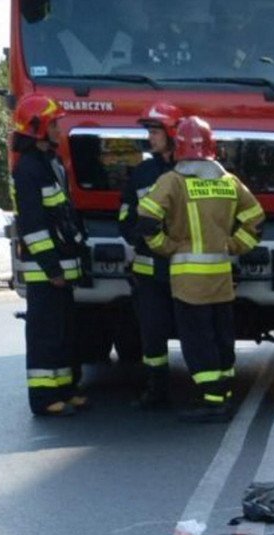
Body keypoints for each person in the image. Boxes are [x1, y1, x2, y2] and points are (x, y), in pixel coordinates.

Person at [137, 116, 265, 423]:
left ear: (179, 146)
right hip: (220, 279)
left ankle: (212, 401)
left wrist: (166, 246)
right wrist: (234, 245)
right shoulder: (229, 182)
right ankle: (223, 392)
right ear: (211, 147)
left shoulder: (172, 181)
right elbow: (256, 218)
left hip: (188, 282)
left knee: (198, 341)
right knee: (222, 337)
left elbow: (146, 217)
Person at [11, 93, 90, 416]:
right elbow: (33, 225)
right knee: (45, 335)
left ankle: (65, 389)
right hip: (45, 272)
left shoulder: (51, 163)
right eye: (55, 123)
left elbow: (62, 215)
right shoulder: (28, 169)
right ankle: (44, 399)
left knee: (64, 333)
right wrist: (52, 268)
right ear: (39, 127)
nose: (60, 129)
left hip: (62, 269)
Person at [119, 102, 184, 409]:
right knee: (152, 332)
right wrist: (140, 239)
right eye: (149, 131)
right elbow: (126, 216)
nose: (151, 137)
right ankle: (156, 388)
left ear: (173, 133)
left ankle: (208, 390)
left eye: (156, 131)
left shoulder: (191, 171)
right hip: (149, 272)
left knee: (196, 330)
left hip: (187, 269)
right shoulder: (142, 173)